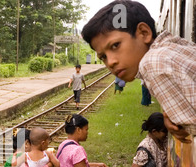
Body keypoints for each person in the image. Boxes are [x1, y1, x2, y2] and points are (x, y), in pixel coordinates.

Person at [81, 0, 195, 144]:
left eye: (115, 45)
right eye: (103, 57)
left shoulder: (152, 63)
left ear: (144, 33)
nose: (110, 62)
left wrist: (181, 122)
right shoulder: (172, 47)